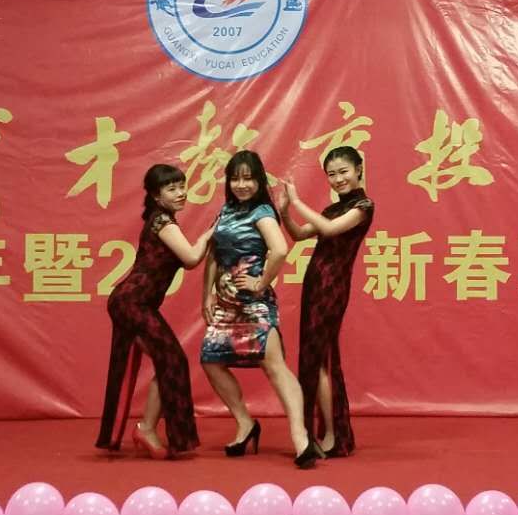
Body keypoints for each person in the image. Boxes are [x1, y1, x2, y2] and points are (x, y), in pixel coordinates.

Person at [199, 150, 323, 468]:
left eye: (248, 178)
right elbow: (213, 254)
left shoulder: (262, 211)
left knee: (274, 367)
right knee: (211, 361)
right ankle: (245, 423)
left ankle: (301, 437)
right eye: (235, 178)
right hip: (225, 303)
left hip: (254, 304)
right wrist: (206, 295)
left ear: (259, 181)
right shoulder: (226, 210)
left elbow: (279, 249)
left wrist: (260, 282)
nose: (241, 185)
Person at [96, 164, 212, 459]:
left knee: (165, 360)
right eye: (172, 189)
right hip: (131, 302)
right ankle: (146, 429)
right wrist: (209, 235)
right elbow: (191, 258)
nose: (181, 193)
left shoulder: (162, 219)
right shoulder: (162, 222)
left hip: (133, 302)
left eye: (182, 186)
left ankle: (143, 430)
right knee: (172, 359)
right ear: (157, 196)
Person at [278, 146, 374, 457]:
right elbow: (299, 235)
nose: (338, 179)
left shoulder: (363, 206)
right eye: (331, 174)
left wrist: (297, 202)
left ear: (358, 170)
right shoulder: (333, 208)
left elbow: (330, 230)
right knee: (314, 359)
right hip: (315, 285)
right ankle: (322, 433)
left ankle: (332, 434)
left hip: (332, 288)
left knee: (321, 360)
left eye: (343, 171)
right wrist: (284, 211)